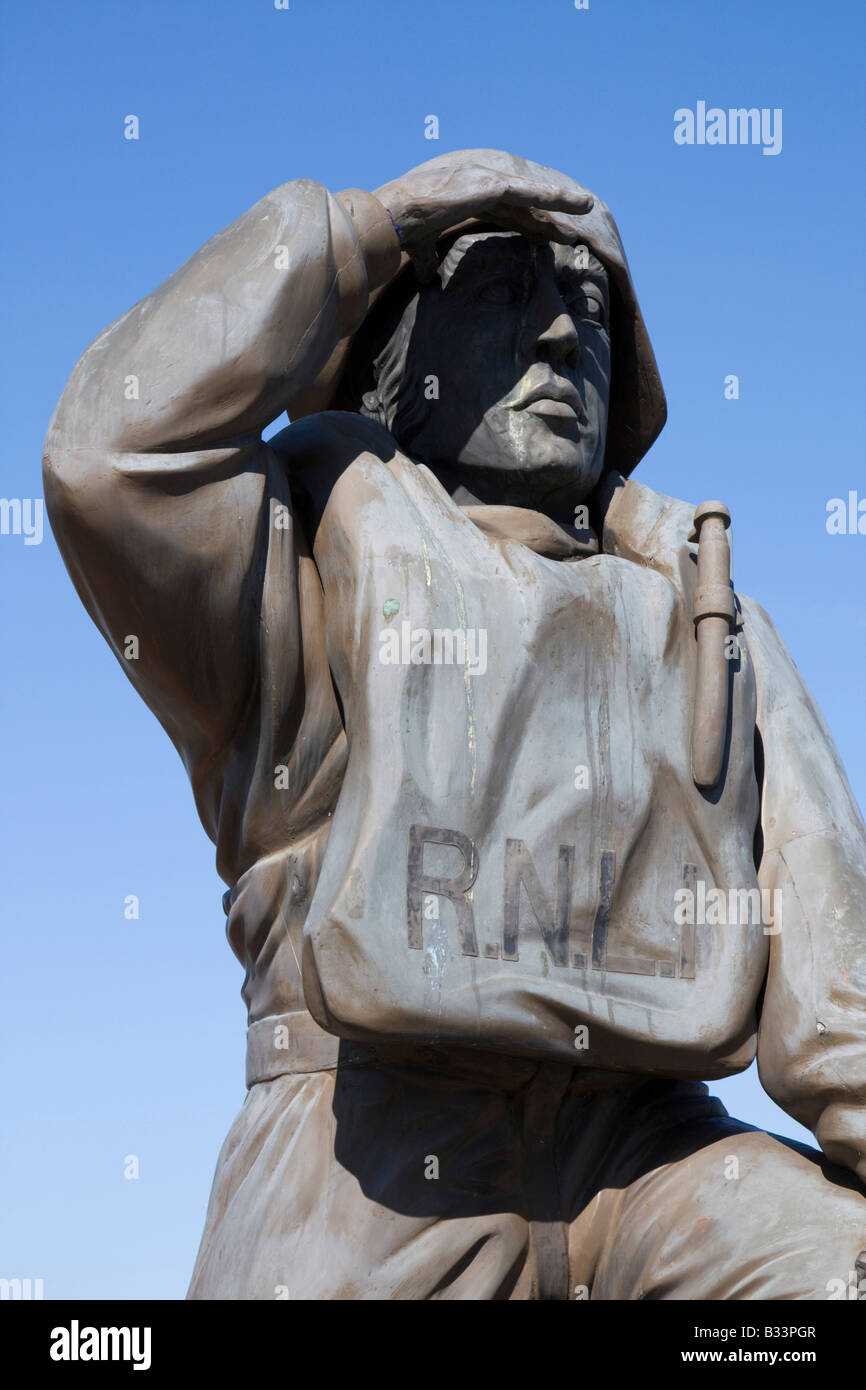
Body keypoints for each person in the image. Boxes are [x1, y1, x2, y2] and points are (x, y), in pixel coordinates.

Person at [43, 149, 866, 1299]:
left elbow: (839, 1004)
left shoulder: (708, 622)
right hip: (369, 1144)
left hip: (649, 1151)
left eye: (586, 312)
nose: (556, 339)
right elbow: (109, 456)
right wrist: (363, 230)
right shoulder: (296, 571)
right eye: (497, 292)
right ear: (394, 366)